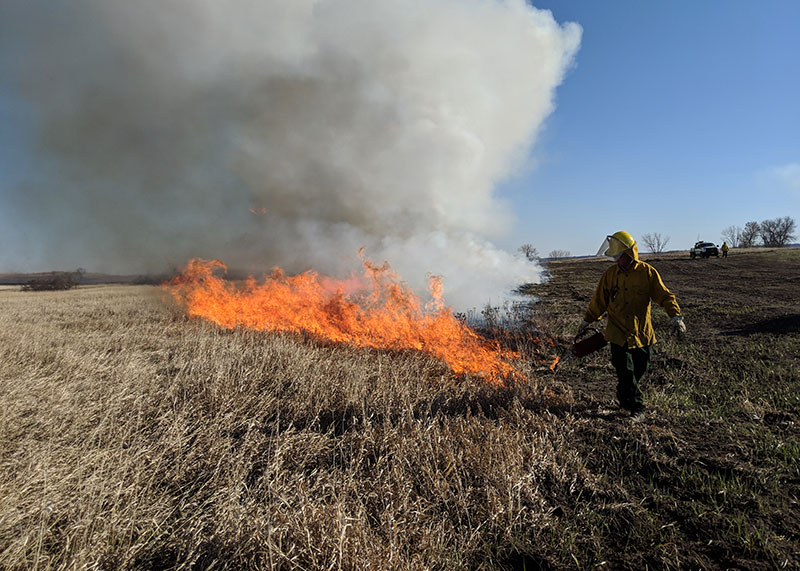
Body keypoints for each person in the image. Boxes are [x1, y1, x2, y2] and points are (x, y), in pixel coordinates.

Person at [578, 231, 686, 421]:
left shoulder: (647, 273)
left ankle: (624, 395)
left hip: (641, 334)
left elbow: (665, 296)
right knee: (626, 372)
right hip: (617, 333)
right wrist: (587, 319)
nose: (616, 261)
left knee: (637, 372)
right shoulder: (610, 275)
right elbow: (599, 301)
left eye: (619, 257)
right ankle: (638, 409)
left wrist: (676, 317)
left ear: (629, 255)